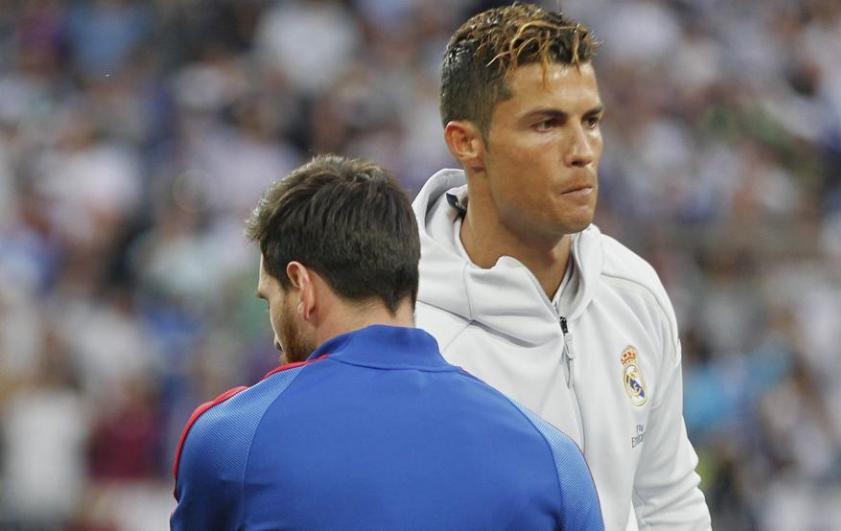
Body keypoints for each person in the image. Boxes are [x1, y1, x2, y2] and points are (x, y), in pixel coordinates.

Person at [170, 154, 603, 530]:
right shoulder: (554, 458)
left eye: (270, 298)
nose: (275, 334)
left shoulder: (232, 440)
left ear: (303, 288)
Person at [413, 4, 712, 530]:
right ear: (467, 143)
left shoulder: (633, 288)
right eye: (547, 123)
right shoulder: (404, 325)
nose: (583, 151)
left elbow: (667, 500)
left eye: (591, 121)